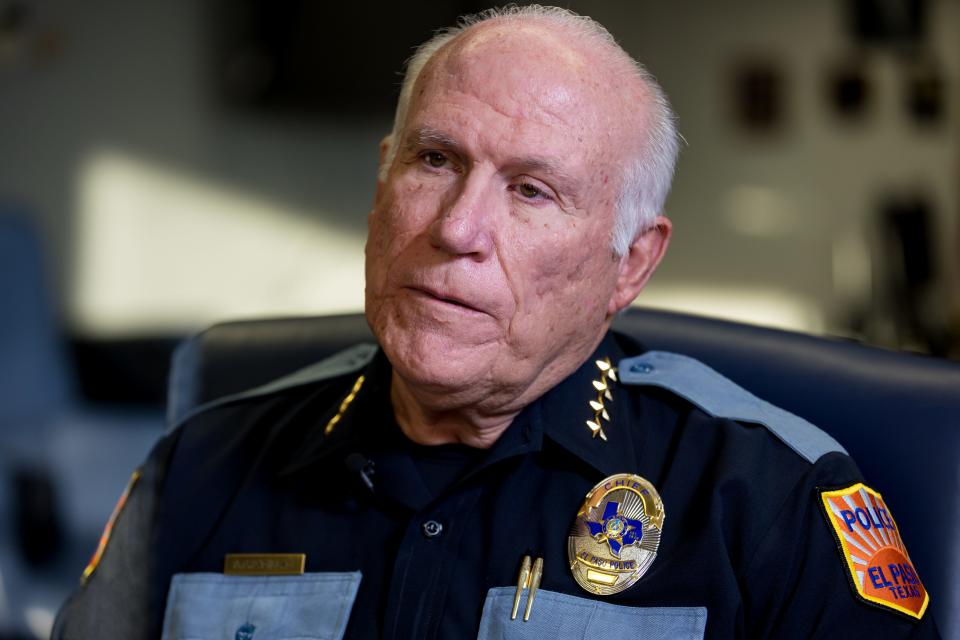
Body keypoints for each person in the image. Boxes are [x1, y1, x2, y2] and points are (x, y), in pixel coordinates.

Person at [55, 6, 938, 639]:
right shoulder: (200, 468)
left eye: (532, 191)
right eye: (434, 161)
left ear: (630, 264)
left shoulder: (768, 499)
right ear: (381, 188)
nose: (457, 229)